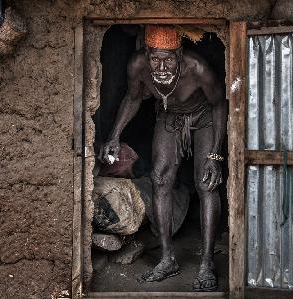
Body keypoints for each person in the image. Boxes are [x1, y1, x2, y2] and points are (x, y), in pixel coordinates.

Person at [102, 25, 227, 291]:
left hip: (203, 115)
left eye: (168, 59)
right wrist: (114, 135)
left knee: (206, 182)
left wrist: (215, 153)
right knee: (160, 179)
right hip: (170, 114)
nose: (161, 66)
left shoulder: (198, 68)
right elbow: (133, 98)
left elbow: (219, 104)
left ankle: (206, 263)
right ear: (146, 54)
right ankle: (167, 259)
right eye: (155, 58)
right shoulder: (138, 65)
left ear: (180, 55)